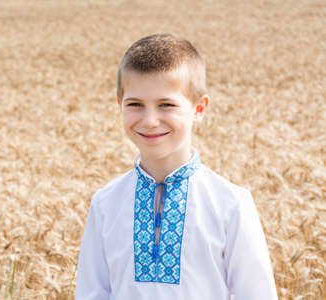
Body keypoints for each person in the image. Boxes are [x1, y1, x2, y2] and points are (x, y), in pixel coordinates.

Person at [75, 33, 278, 300]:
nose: (149, 120)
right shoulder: (104, 204)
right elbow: (91, 293)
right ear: (119, 106)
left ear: (199, 108)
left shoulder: (231, 204)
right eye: (135, 104)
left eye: (166, 105)